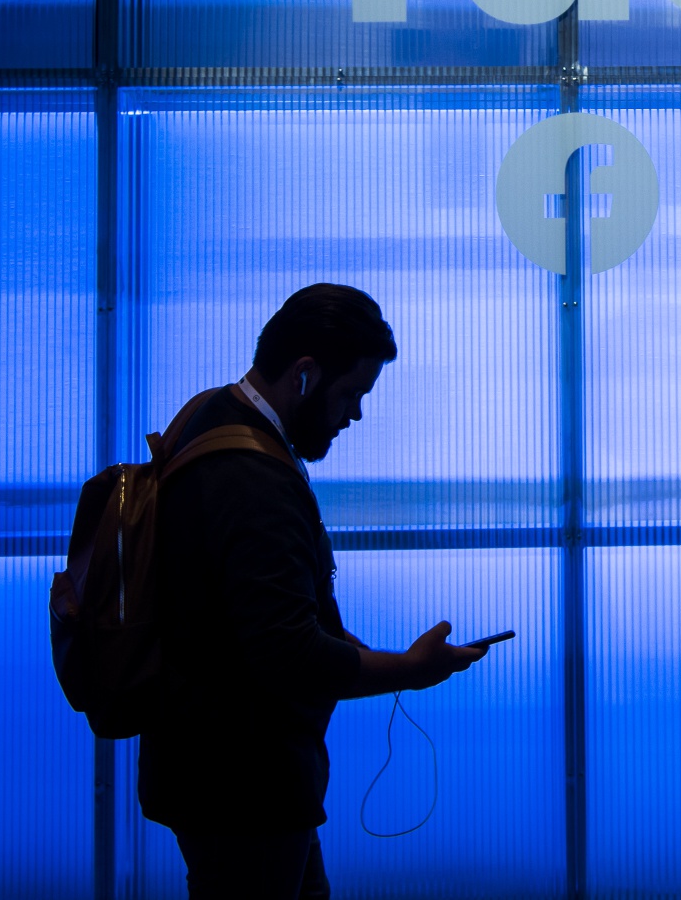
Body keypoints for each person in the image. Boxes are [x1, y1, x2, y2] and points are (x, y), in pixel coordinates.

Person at [139, 284, 491, 899]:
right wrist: (408, 669)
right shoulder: (253, 479)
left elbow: (269, 619)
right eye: (351, 393)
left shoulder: (209, 415)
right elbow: (289, 654)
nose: (354, 415)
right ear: (304, 375)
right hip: (243, 787)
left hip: (216, 772)